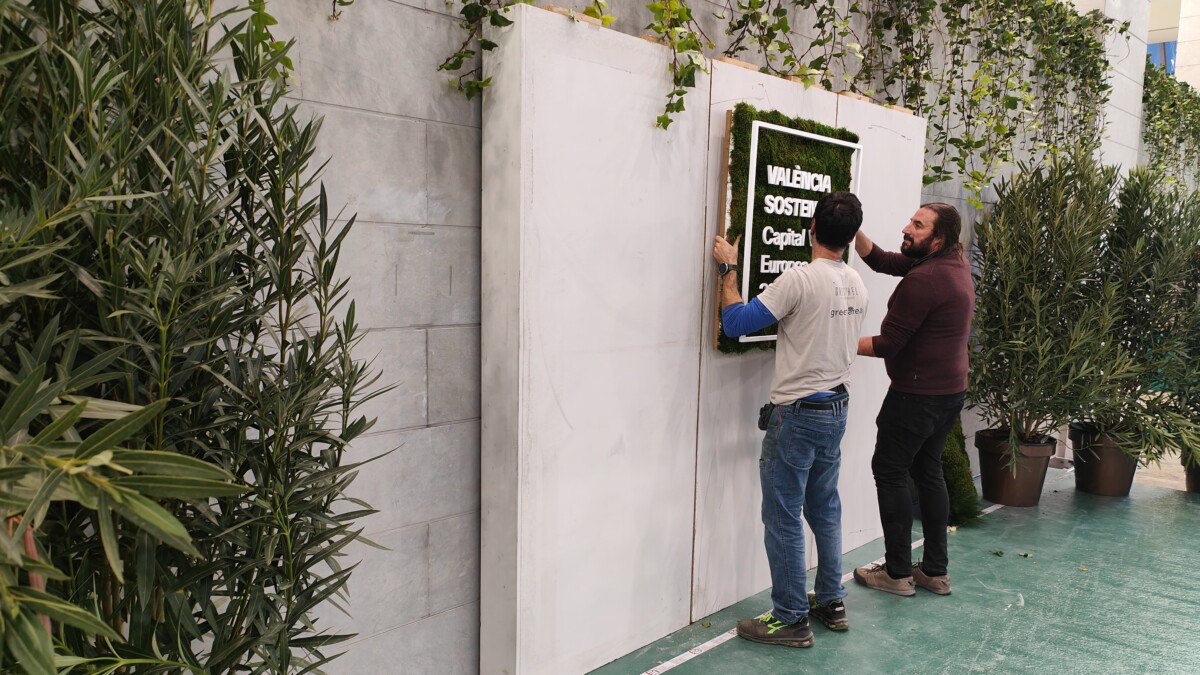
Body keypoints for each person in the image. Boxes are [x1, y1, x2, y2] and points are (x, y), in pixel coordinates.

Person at [713, 191, 868, 648]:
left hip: (798, 413)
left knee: (782, 515)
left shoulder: (800, 280)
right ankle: (832, 601)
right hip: (836, 408)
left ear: (812, 229)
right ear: (852, 238)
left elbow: (737, 322)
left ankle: (791, 618)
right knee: (825, 507)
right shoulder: (856, 282)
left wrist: (728, 268)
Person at [851, 202, 974, 597]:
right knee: (928, 470)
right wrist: (855, 232)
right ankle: (934, 572)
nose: (907, 227)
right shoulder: (950, 263)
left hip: (917, 396)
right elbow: (887, 260)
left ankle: (898, 572)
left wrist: (835, 341)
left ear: (936, 239)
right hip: (949, 391)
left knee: (889, 471)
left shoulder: (926, 280)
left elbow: (889, 344)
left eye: (917, 225)